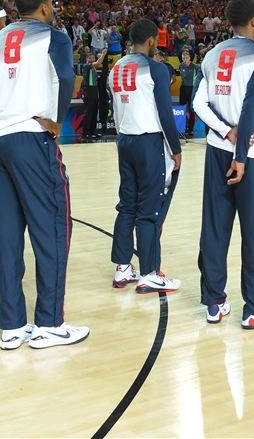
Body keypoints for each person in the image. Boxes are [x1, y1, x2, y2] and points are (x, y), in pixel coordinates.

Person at [0, 0, 88, 350]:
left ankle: (12, 325)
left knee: (5, 235)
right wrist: (56, 120)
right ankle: (49, 323)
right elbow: (64, 77)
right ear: (45, 7)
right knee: (53, 228)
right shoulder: (53, 36)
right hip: (30, 138)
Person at [192, 0, 254, 329]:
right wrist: (241, 153)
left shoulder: (211, 55)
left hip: (216, 150)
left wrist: (224, 131)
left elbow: (198, 104)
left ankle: (214, 302)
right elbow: (250, 106)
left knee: (215, 228)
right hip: (251, 155)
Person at [109, 19, 184, 293]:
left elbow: (115, 109)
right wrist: (175, 148)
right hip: (149, 142)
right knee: (149, 209)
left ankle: (122, 268)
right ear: (152, 40)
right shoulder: (157, 68)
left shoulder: (116, 68)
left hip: (124, 139)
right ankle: (150, 273)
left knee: (127, 205)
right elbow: (165, 113)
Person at [80, 49, 108, 141]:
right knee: (88, 112)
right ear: (87, 59)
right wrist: (103, 54)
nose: (92, 59)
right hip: (88, 90)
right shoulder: (86, 66)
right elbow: (98, 63)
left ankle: (92, 131)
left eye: (93, 58)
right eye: (90, 58)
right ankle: (85, 132)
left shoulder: (94, 69)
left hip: (94, 90)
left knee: (94, 111)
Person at [179, 50, 202, 137]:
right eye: (183, 58)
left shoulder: (195, 67)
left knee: (191, 109)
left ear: (189, 58)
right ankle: (183, 128)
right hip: (183, 89)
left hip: (192, 89)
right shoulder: (181, 66)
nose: (185, 60)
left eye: (186, 58)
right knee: (182, 109)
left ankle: (191, 129)